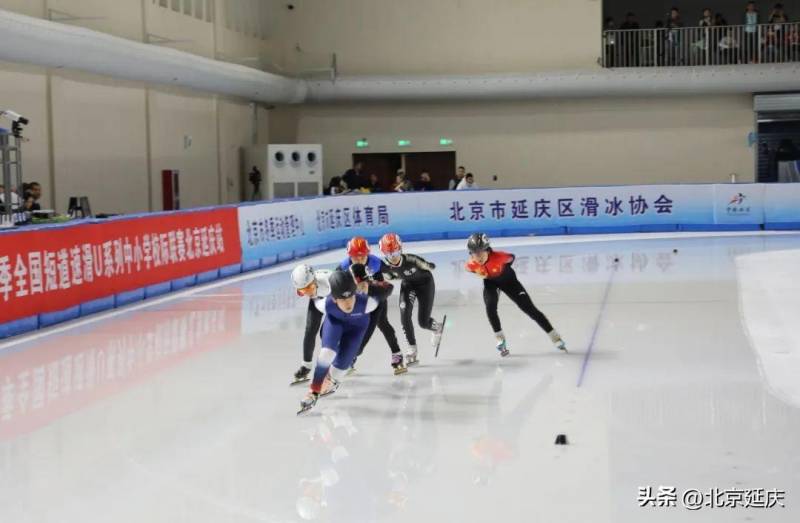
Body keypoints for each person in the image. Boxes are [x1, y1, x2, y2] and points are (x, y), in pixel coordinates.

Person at [298, 270, 394, 414]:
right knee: (327, 353)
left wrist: (369, 285)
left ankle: (332, 380)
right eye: (342, 299)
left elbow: (389, 287)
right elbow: (313, 300)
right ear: (334, 298)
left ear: (355, 293)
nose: (348, 303)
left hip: (356, 329)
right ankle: (313, 391)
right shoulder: (324, 304)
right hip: (334, 323)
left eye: (350, 297)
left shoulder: (369, 302)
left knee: (340, 369)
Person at [464, 233, 566, 357]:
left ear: (487, 250)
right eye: (473, 253)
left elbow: (512, 257)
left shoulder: (500, 257)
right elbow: (469, 269)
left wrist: (504, 269)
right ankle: (500, 339)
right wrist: (482, 274)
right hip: (491, 283)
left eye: (480, 252)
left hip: (510, 283)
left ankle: (555, 337)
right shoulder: (471, 264)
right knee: (490, 307)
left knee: (529, 309)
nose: (477, 256)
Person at [339, 236, 405, 374]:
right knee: (363, 330)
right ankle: (353, 355)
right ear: (349, 256)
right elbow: (334, 282)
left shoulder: (375, 262)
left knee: (380, 324)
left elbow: (394, 272)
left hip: (377, 299)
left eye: (362, 257)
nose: (359, 261)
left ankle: (396, 355)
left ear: (368, 254)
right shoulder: (344, 266)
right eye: (355, 258)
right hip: (359, 301)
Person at [378, 233, 444, 366]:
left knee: (423, 322)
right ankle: (412, 348)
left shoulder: (412, 260)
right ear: (384, 254)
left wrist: (429, 266)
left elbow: (430, 266)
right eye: (389, 254)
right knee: (404, 314)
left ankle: (437, 328)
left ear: (400, 249)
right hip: (408, 285)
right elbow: (391, 277)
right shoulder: (385, 267)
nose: (393, 257)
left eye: (396, 252)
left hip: (426, 284)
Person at [290, 263, 334, 384]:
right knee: (310, 331)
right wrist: (309, 290)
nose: (307, 293)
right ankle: (306, 366)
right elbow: (309, 292)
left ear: (314, 281)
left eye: (308, 288)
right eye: (303, 291)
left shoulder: (329, 282)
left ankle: (335, 365)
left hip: (334, 298)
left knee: (326, 334)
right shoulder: (308, 287)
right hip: (318, 299)